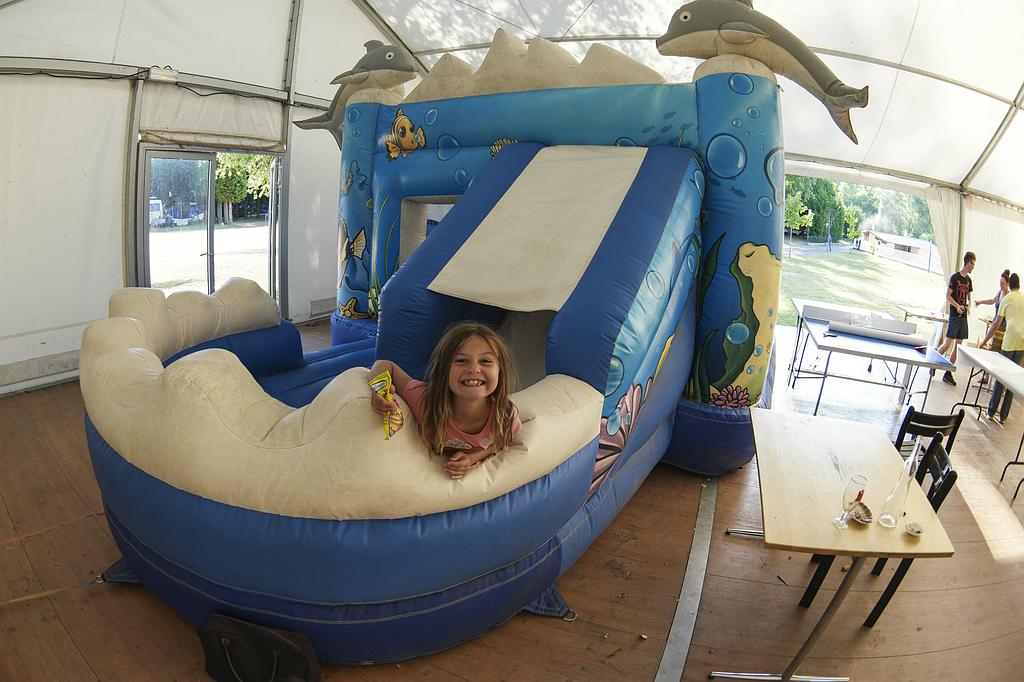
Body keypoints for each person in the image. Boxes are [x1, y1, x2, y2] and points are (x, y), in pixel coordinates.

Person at [369, 321, 521, 480]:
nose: (474, 369)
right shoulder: (424, 402)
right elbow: (386, 365)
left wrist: (472, 458)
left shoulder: (505, 417)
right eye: (461, 361)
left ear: (500, 372)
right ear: (444, 370)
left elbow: (499, 443)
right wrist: (378, 391)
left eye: (485, 361)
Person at [979, 272, 1024, 424]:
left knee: (1001, 376)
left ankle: (991, 412)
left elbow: (996, 324)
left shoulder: (1007, 298)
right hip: (1022, 343)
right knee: (1013, 380)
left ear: (1009, 285)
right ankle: (1003, 416)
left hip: (1009, 341)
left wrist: (984, 340)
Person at [936, 251, 976, 386]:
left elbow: (969, 298)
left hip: (963, 317)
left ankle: (948, 372)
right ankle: (932, 361)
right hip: (954, 315)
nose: (973, 266)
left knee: (958, 346)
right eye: (972, 263)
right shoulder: (955, 277)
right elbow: (948, 296)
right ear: (967, 262)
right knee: (947, 344)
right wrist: (957, 306)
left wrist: (968, 307)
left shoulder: (969, 280)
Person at [977, 269, 1011, 350]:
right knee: (990, 346)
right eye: (1000, 282)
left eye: (1002, 283)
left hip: (1002, 327)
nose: (1000, 285)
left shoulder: (1009, 297)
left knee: (995, 348)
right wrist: (980, 302)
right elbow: (992, 301)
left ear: (1007, 284)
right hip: (995, 322)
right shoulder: (1000, 292)